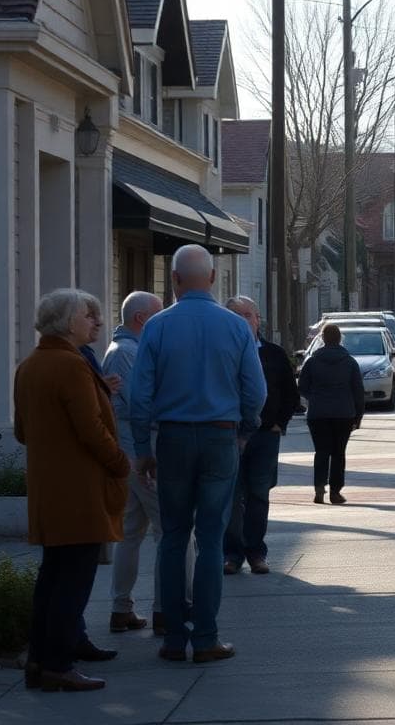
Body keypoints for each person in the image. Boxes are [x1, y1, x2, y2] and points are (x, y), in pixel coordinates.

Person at [129, 244, 267, 664]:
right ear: (211, 278)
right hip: (219, 437)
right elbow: (256, 392)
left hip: (171, 438)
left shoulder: (156, 327)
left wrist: (142, 449)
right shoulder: (236, 327)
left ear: (173, 280)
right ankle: (206, 637)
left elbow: (139, 397)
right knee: (210, 539)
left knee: (173, 538)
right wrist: (244, 431)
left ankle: (173, 638)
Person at [14, 289, 130, 692]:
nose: (96, 321)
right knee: (72, 583)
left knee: (53, 578)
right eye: (88, 315)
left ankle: (41, 660)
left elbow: (21, 431)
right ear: (67, 322)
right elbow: (91, 429)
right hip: (79, 492)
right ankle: (59, 664)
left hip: (50, 490)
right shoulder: (70, 365)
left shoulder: (30, 365)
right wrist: (120, 462)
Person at [105, 290, 189, 637]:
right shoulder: (127, 353)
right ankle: (167, 608)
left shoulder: (124, 351)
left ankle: (122, 607)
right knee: (174, 531)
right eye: (157, 315)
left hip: (131, 452)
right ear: (142, 319)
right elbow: (142, 406)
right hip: (140, 453)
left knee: (132, 531)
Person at [223, 296, 300, 574]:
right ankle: (231, 554)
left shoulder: (274, 354)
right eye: (236, 315)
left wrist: (280, 422)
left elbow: (291, 393)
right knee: (230, 496)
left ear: (258, 320)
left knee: (258, 495)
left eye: (248, 315)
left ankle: (256, 551)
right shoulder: (221, 352)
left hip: (265, 435)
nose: (244, 320)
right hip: (229, 436)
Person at [298, 324, 365, 504]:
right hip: (344, 413)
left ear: (323, 339)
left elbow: (302, 386)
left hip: (318, 413)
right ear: (339, 339)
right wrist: (358, 416)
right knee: (338, 453)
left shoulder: (312, 361)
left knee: (321, 452)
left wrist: (314, 397)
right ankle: (335, 492)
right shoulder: (349, 362)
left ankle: (319, 488)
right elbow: (358, 391)